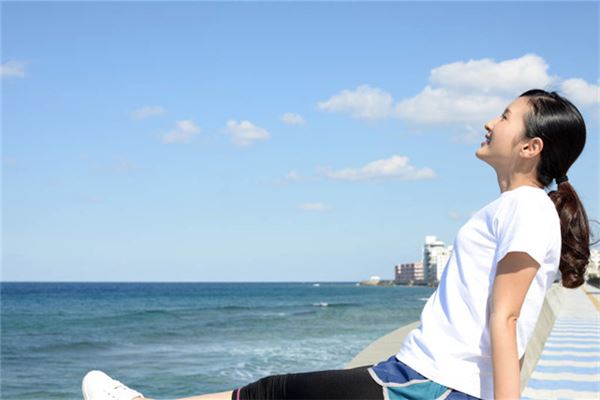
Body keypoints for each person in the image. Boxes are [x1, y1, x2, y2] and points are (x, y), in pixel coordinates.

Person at [81, 89, 596, 400]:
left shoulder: (526, 208)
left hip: (428, 383)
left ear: (530, 147)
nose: (489, 121)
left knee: (270, 392)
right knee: (268, 393)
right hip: (422, 376)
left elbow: (506, 318)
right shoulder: (516, 207)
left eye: (504, 116)